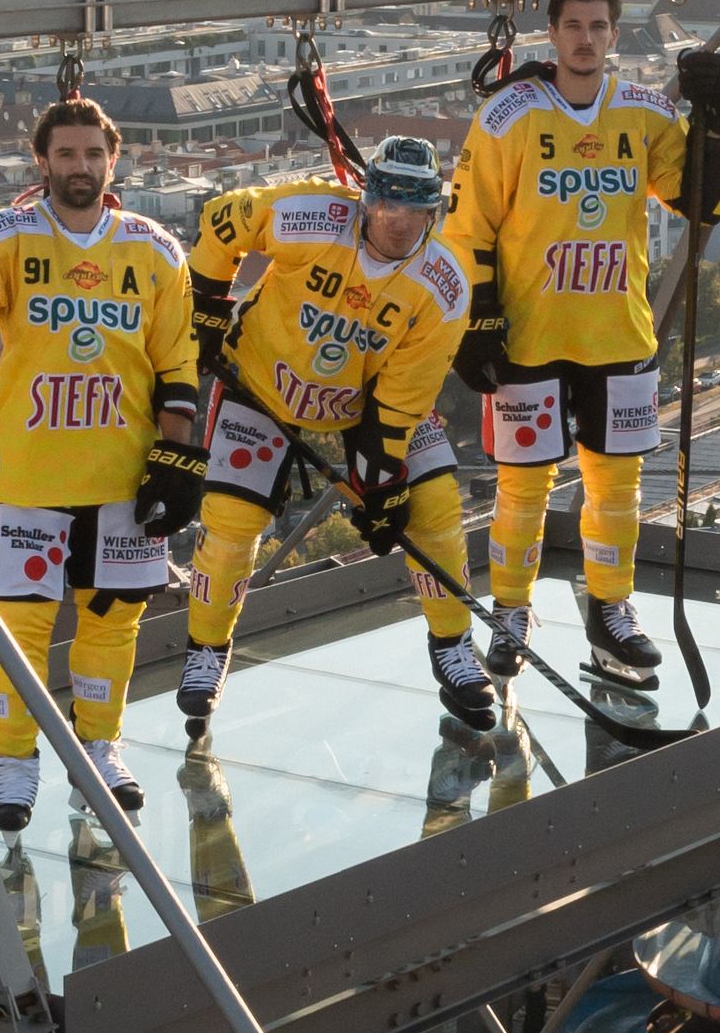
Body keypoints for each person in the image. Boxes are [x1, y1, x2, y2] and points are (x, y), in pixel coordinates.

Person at [0, 99, 205, 834]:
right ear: (43, 161)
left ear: (113, 160)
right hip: (28, 472)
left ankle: (99, 751)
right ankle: (14, 767)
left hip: (123, 475)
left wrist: (178, 454)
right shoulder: (5, 234)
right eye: (66, 154)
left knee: (112, 628)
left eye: (94, 154)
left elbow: (176, 360)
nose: (81, 167)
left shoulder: (155, 248)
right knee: (19, 631)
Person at [447, 0, 720, 686]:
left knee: (617, 488)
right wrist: (477, 321)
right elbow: (466, 227)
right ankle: (511, 614)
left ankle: (613, 610)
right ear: (552, 33)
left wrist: (719, 123)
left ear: (614, 34)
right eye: (573, 26)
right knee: (523, 487)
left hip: (617, 334)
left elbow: (700, 202)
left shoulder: (640, 111)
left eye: (599, 27)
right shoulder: (507, 114)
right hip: (530, 337)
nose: (586, 39)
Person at [177, 135, 491, 730]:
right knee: (231, 522)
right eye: (386, 208)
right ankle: (207, 649)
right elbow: (222, 223)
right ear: (364, 199)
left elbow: (401, 403)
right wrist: (208, 307)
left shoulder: (446, 287)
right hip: (262, 383)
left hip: (366, 401)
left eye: (416, 211)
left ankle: (452, 646)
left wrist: (381, 486)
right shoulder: (314, 213)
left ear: (435, 213)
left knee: (433, 506)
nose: (398, 224)